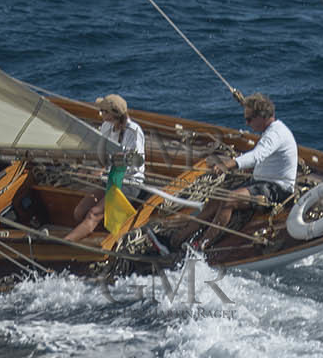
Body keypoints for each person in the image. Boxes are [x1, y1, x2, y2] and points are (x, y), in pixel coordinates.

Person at [174, 92, 298, 249]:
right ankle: (179, 238)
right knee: (216, 198)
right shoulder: (272, 131)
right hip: (261, 182)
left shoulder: (275, 134)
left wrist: (228, 165)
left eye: (249, 119)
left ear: (262, 116)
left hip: (277, 189)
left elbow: (256, 156)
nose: (246, 124)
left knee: (229, 200)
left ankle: (201, 245)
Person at [66, 94, 147, 243]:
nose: (100, 114)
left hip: (129, 183)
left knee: (93, 214)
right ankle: (91, 234)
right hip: (110, 179)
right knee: (79, 212)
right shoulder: (106, 127)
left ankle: (64, 243)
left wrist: (104, 168)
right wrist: (88, 168)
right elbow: (101, 152)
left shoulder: (134, 132)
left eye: (103, 111)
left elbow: (136, 161)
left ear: (112, 114)